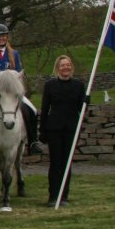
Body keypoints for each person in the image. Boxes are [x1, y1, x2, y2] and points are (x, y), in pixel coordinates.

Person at [0, 23, 43, 154]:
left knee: (32, 110)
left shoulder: (14, 54)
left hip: (10, 94)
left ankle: (33, 142)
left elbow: (18, 73)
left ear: (6, 37)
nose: (1, 38)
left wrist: (17, 89)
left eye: (3, 36)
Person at [40, 54, 86, 207]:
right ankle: (53, 196)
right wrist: (43, 131)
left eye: (68, 65)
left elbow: (82, 110)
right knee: (55, 163)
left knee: (67, 163)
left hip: (71, 129)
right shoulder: (50, 85)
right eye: (62, 65)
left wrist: (86, 103)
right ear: (57, 68)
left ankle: (64, 195)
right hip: (54, 129)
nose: (65, 67)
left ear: (71, 67)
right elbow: (45, 109)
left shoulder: (79, 86)